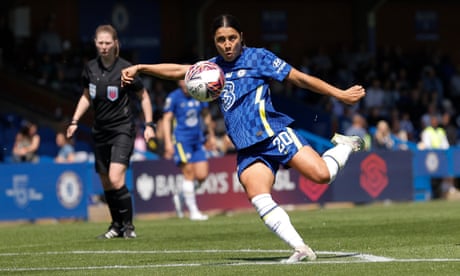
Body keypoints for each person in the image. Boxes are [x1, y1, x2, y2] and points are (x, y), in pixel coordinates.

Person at [121, 14, 365, 263]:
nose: (227, 44)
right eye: (221, 40)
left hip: (273, 133)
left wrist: (340, 94)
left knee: (322, 175)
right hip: (248, 148)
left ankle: (344, 146)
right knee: (258, 196)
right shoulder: (212, 69)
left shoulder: (259, 57)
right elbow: (179, 70)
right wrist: (142, 68)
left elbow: (300, 78)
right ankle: (301, 248)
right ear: (214, 42)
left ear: (241, 38)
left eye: (232, 38)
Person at [67, 24, 155, 239]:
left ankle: (129, 227)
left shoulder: (126, 69)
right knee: (106, 181)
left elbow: (143, 96)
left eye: (108, 43)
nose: (104, 47)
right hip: (100, 132)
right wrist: (74, 120)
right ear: (95, 43)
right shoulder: (90, 68)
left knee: (116, 178)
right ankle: (115, 226)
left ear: (116, 44)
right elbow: (87, 96)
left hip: (122, 130)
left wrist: (149, 125)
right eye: (100, 43)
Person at [163, 79, 215, 221]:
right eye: (182, 81)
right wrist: (168, 142)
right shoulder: (174, 97)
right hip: (181, 140)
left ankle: (180, 196)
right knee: (189, 173)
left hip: (198, 140)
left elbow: (205, 114)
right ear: (179, 83)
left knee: (202, 175)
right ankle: (193, 212)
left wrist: (211, 135)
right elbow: (166, 119)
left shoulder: (199, 93)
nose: (185, 85)